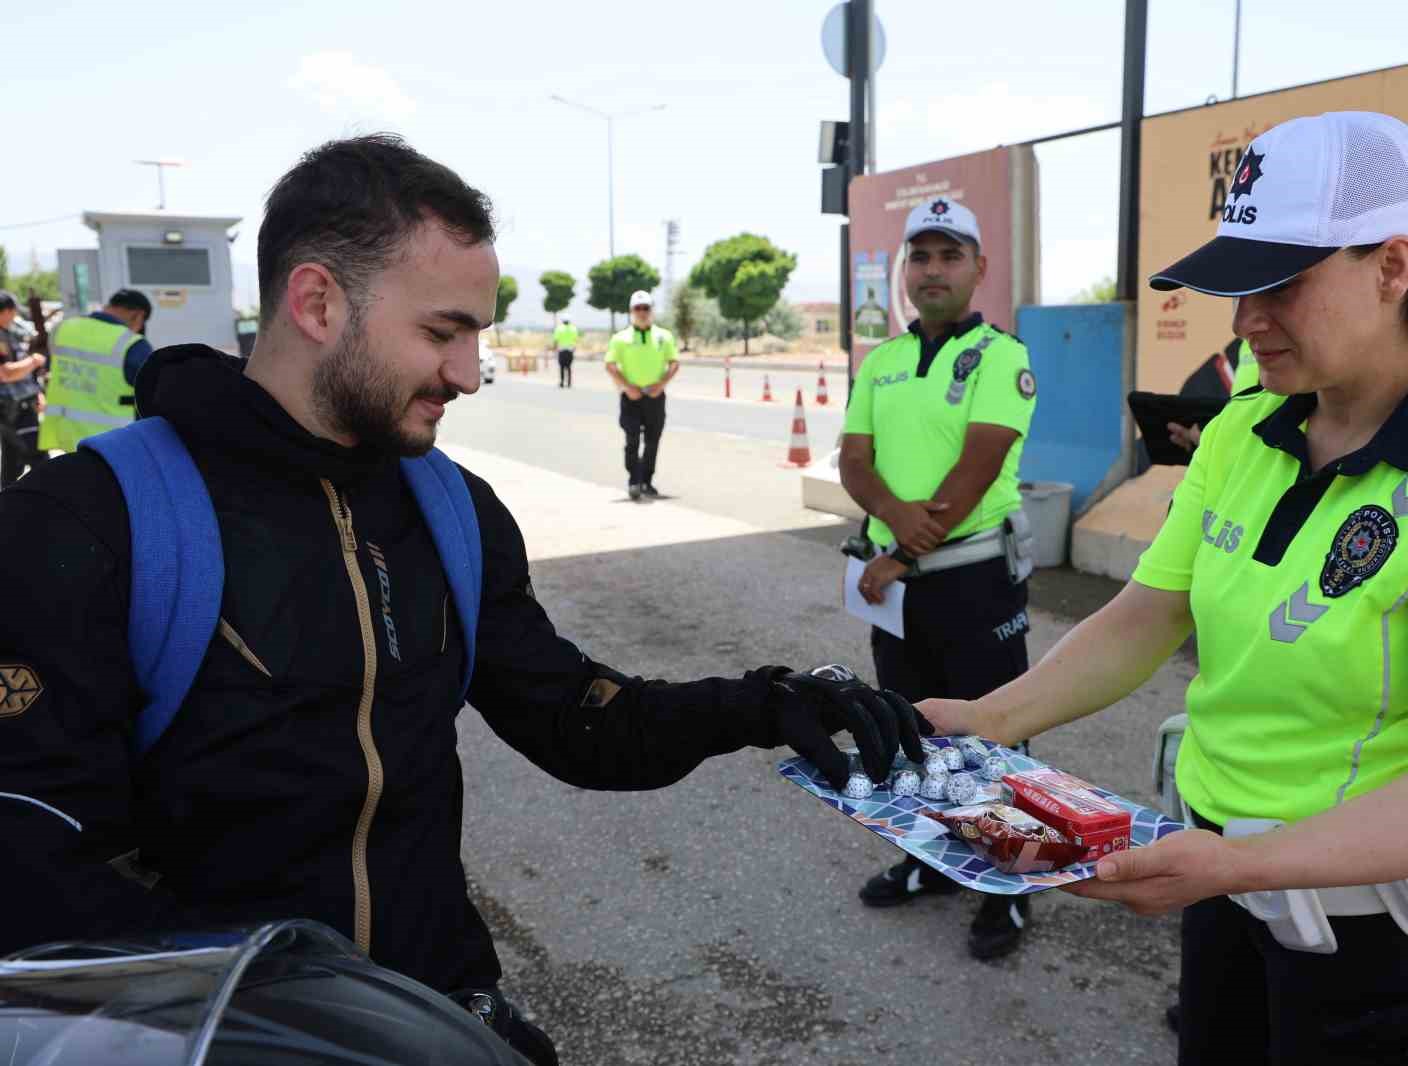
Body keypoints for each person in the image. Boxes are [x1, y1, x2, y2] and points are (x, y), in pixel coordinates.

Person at [0, 134, 929, 1065]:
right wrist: (298, 1030)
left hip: (437, 1014)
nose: (470, 373)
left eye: (477, 335)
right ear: (317, 301)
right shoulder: (88, 522)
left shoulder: (449, 507)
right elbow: (31, 866)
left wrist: (769, 703)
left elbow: (577, 720)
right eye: (442, 333)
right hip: (221, 1039)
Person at [919, 109, 1408, 1064]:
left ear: (1393, 267)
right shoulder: (1249, 426)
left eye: (1283, 283)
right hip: (1229, 895)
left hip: (1387, 943)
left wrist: (1237, 862)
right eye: (1238, 283)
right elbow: (1150, 611)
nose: (1246, 322)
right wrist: (989, 716)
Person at [840, 196, 1040, 960]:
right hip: (896, 580)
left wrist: (903, 550)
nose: (932, 270)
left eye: (949, 255)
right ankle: (935, 860)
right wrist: (892, 530)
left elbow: (978, 463)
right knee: (912, 722)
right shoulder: (882, 361)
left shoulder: (1002, 356)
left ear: (978, 269)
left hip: (975, 577)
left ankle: (1011, 882)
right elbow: (854, 461)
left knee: (995, 729)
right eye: (919, 256)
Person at [36, 288, 156, 453]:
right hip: (112, 443)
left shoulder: (63, 329)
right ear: (138, 315)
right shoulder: (133, 344)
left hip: (66, 437)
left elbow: (50, 370)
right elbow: (152, 394)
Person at [605, 290, 678, 501]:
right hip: (631, 398)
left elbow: (674, 362)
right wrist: (628, 387)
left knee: (653, 441)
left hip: (655, 396)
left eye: (646, 308)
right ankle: (634, 480)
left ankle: (647, 481)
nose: (642, 312)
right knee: (632, 439)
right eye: (638, 308)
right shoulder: (620, 338)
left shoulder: (664, 337)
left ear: (651, 311)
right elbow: (609, 364)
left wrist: (661, 384)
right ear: (631, 311)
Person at [0, 291, 47, 486]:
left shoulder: (7, 334)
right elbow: (5, 373)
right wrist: (34, 361)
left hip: (20, 406)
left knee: (13, 464)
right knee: (40, 462)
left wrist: (36, 393)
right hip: (15, 410)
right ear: (8, 310)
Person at [552, 315, 579, 388]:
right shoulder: (573, 329)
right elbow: (576, 339)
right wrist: (574, 348)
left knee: (562, 366)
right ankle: (569, 382)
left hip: (561, 350)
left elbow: (556, 340)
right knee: (569, 366)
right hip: (570, 350)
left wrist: (554, 348)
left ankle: (562, 382)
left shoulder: (559, 328)